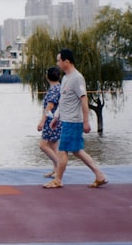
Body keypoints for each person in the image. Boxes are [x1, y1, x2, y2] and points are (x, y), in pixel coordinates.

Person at [44, 49, 108, 189]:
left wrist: (86, 121)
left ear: (67, 61)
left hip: (73, 121)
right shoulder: (66, 78)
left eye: (59, 60)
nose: (57, 63)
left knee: (63, 151)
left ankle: (58, 180)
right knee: (76, 151)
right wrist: (56, 117)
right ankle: (99, 175)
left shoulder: (77, 78)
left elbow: (84, 99)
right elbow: (63, 100)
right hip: (65, 120)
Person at [36, 67, 61, 178]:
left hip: (51, 122)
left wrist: (42, 122)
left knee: (43, 145)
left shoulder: (54, 90)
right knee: (53, 145)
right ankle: (56, 170)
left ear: (47, 77)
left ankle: (60, 166)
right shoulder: (59, 88)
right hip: (57, 121)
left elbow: (49, 107)